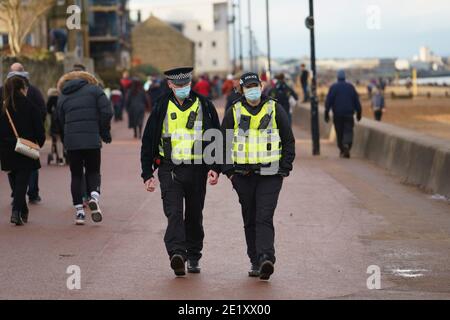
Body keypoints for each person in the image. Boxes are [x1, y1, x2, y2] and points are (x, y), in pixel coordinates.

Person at [141, 66, 221, 277]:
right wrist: (146, 173)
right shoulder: (161, 106)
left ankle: (193, 255)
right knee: (174, 213)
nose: (183, 88)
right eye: (178, 85)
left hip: (197, 170)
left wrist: (215, 168)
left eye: (186, 84)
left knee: (194, 215)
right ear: (170, 85)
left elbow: (216, 137)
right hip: (169, 169)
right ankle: (177, 254)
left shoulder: (205, 105)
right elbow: (148, 140)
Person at [221, 72, 296, 280]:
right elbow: (223, 144)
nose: (252, 90)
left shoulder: (274, 108)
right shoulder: (233, 112)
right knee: (250, 217)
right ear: (242, 90)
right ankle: (254, 260)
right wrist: (229, 172)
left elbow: (288, 140)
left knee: (264, 215)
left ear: (261, 87)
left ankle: (266, 258)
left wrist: (284, 168)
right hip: (242, 176)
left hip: (270, 174)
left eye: (255, 85)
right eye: (248, 87)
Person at [57, 70, 113, 225]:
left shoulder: (63, 95)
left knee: (76, 175)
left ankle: (79, 213)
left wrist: (66, 135)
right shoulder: (95, 91)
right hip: (91, 139)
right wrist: (103, 131)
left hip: (72, 141)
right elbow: (107, 111)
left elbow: (59, 119)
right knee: (93, 171)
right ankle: (94, 197)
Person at [0, 76, 45, 225]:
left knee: (15, 181)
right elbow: (39, 129)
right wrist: (40, 141)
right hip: (25, 148)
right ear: (22, 88)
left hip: (6, 149)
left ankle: (23, 211)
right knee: (22, 182)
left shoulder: (3, 107)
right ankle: (16, 212)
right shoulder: (30, 106)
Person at [325, 70, 362, 158]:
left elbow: (328, 101)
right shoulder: (350, 87)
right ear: (345, 77)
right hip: (349, 114)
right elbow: (356, 101)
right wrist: (359, 113)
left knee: (339, 132)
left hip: (337, 115)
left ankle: (342, 149)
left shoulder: (333, 87)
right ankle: (347, 145)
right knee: (348, 130)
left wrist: (326, 113)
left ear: (337, 77)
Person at [47, 88, 65, 165]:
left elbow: (48, 109)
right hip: (64, 120)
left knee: (57, 139)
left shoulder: (51, 98)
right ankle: (65, 154)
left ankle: (60, 157)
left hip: (55, 121)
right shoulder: (63, 97)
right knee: (63, 138)